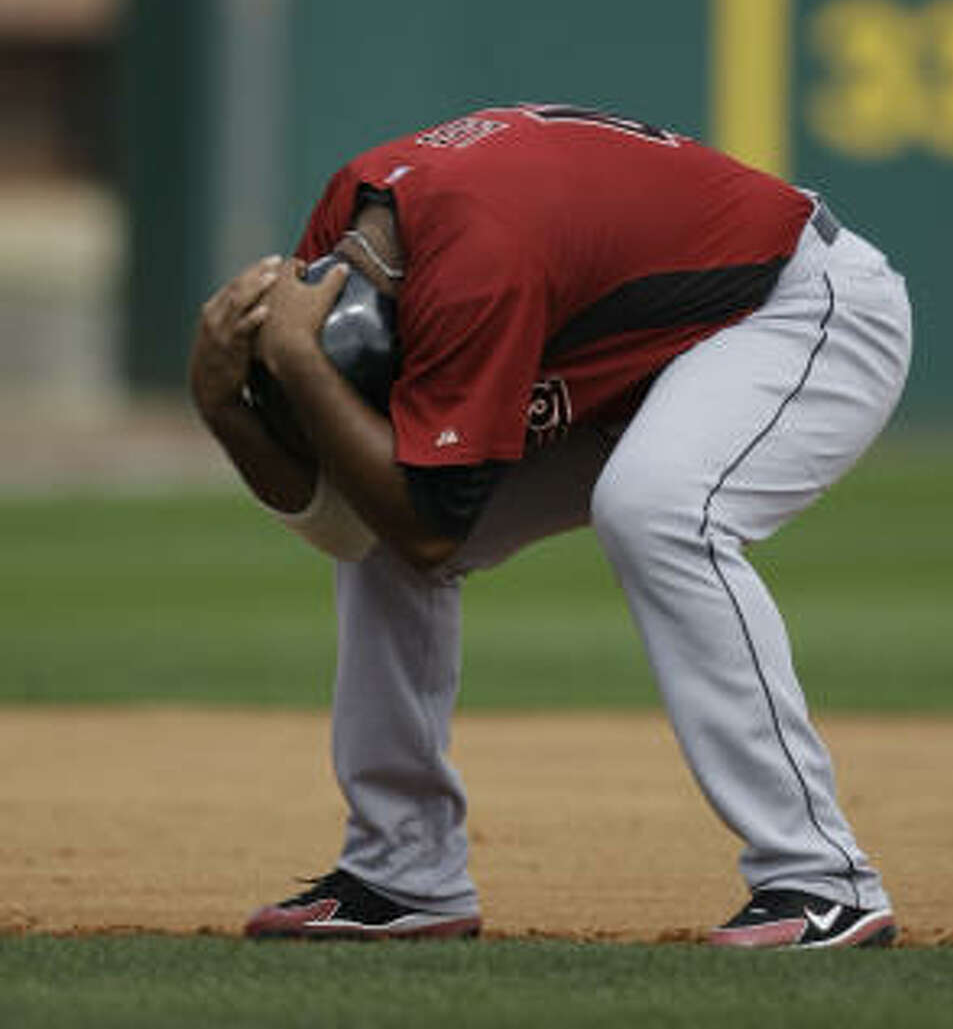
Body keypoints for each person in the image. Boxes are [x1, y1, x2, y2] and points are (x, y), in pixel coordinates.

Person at [189, 104, 912, 949]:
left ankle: (824, 879)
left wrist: (304, 364)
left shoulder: (472, 273)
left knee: (656, 507)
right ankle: (402, 870)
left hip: (793, 309)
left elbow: (426, 525)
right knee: (387, 503)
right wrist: (221, 402)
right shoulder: (345, 230)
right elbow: (357, 523)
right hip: (632, 338)